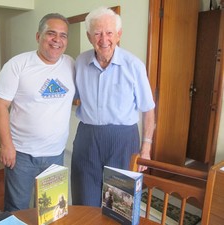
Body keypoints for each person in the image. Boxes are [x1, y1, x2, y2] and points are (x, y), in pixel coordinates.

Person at [71, 6, 155, 207]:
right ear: (89, 36)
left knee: (119, 204)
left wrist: (146, 148)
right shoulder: (80, 62)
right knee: (85, 199)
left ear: (119, 35)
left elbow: (148, 108)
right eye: (97, 33)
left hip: (123, 140)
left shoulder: (133, 65)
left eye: (109, 33)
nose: (103, 39)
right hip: (87, 137)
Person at [0, 13, 75, 211]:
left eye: (63, 35)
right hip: (21, 154)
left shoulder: (71, 64)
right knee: (17, 208)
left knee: (53, 209)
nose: (57, 40)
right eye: (51, 33)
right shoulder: (17, 65)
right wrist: (6, 145)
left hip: (56, 153)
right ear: (38, 36)